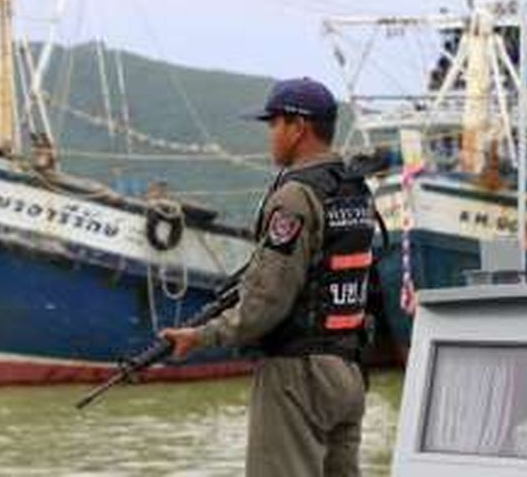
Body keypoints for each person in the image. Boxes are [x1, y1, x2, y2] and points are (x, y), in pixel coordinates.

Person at [160, 77, 378, 477]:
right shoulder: (355, 192)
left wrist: (202, 336)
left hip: (299, 377)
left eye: (274, 124)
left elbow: (265, 304)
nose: (270, 136)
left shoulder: (295, 197)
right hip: (348, 372)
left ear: (298, 126)